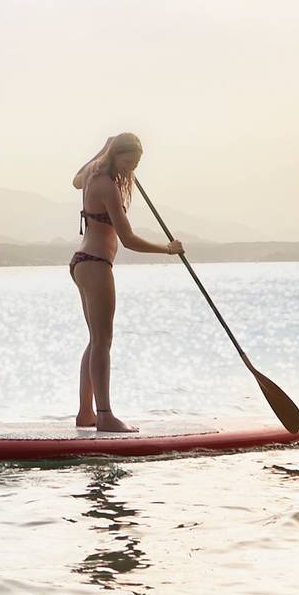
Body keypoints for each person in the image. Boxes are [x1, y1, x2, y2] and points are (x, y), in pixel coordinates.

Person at [69, 133, 183, 432]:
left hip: (82, 263)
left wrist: (104, 149)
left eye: (135, 165)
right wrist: (167, 249)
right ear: (115, 156)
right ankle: (104, 415)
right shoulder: (107, 186)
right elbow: (129, 239)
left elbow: (75, 180)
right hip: (95, 264)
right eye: (127, 162)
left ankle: (85, 413)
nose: (130, 169)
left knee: (96, 340)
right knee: (103, 341)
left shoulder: (92, 174)